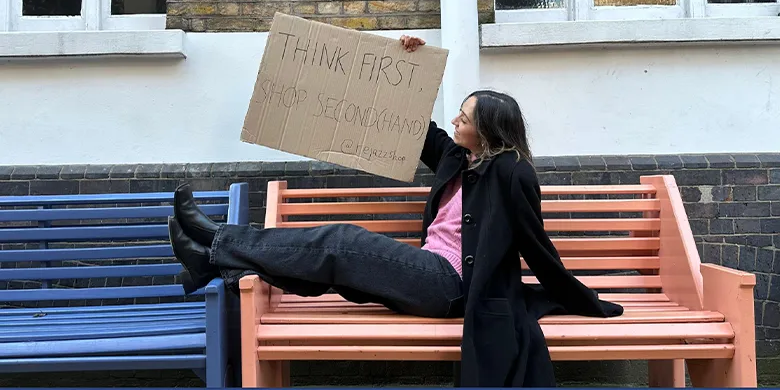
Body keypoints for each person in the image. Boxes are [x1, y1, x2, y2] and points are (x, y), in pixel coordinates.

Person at [167, 35, 624, 387]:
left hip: (454, 285)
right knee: (336, 263)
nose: (455, 123)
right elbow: (411, 123)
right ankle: (210, 261)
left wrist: (586, 301)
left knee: (341, 242)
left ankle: (216, 239)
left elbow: (536, 244)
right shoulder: (454, 156)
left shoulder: (512, 173)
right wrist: (409, 61)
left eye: (464, 119)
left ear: (487, 129)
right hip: (431, 272)